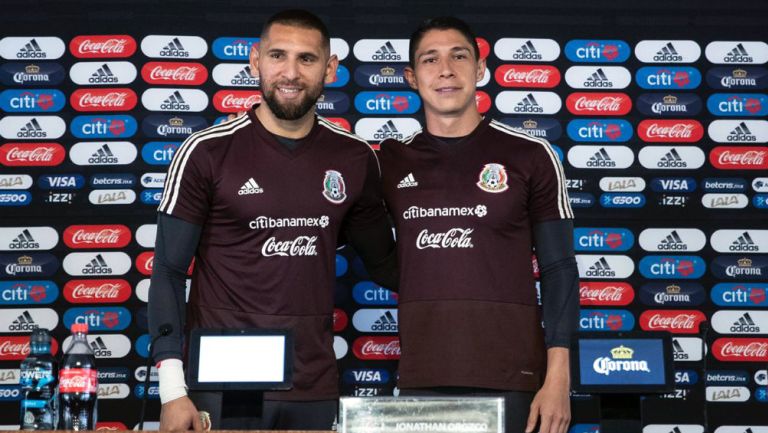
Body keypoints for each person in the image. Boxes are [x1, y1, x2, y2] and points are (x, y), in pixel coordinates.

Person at [148, 9, 397, 431]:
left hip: (314, 382)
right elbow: (169, 272)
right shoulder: (207, 151)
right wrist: (173, 391)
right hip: (225, 382)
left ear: (330, 67)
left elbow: (389, 265)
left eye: (307, 58)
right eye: (278, 55)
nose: (291, 72)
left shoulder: (354, 157)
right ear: (255, 61)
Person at [378, 17, 578, 433]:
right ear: (412, 77)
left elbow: (560, 270)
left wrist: (558, 378)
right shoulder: (388, 162)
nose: (446, 69)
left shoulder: (531, 155)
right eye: (431, 60)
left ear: (480, 68)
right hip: (422, 376)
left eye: (459, 56)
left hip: (515, 377)